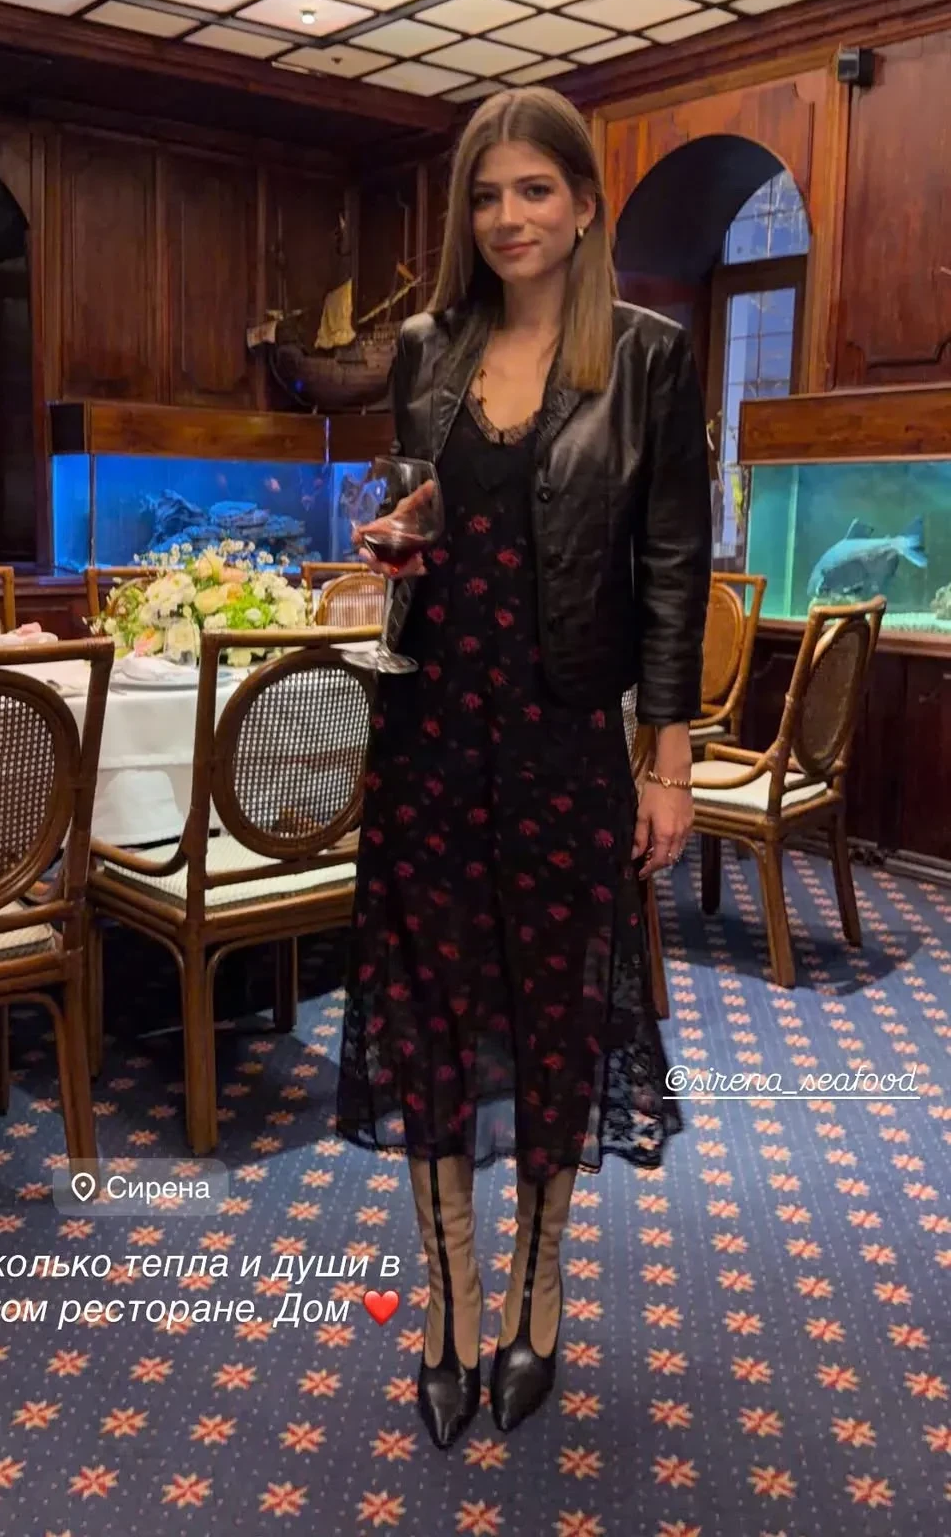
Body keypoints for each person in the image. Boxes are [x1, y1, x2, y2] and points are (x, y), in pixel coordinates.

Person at [336, 87, 711, 1449]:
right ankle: (447, 1301)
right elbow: (440, 498)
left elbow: (672, 568)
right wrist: (406, 528)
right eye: (486, 194)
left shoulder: (650, 357)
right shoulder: (426, 348)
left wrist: (669, 761)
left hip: (562, 745)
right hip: (429, 738)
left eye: (535, 189)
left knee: (553, 1014)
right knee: (429, 1012)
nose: (509, 217)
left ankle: (536, 1298)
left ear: (584, 202)